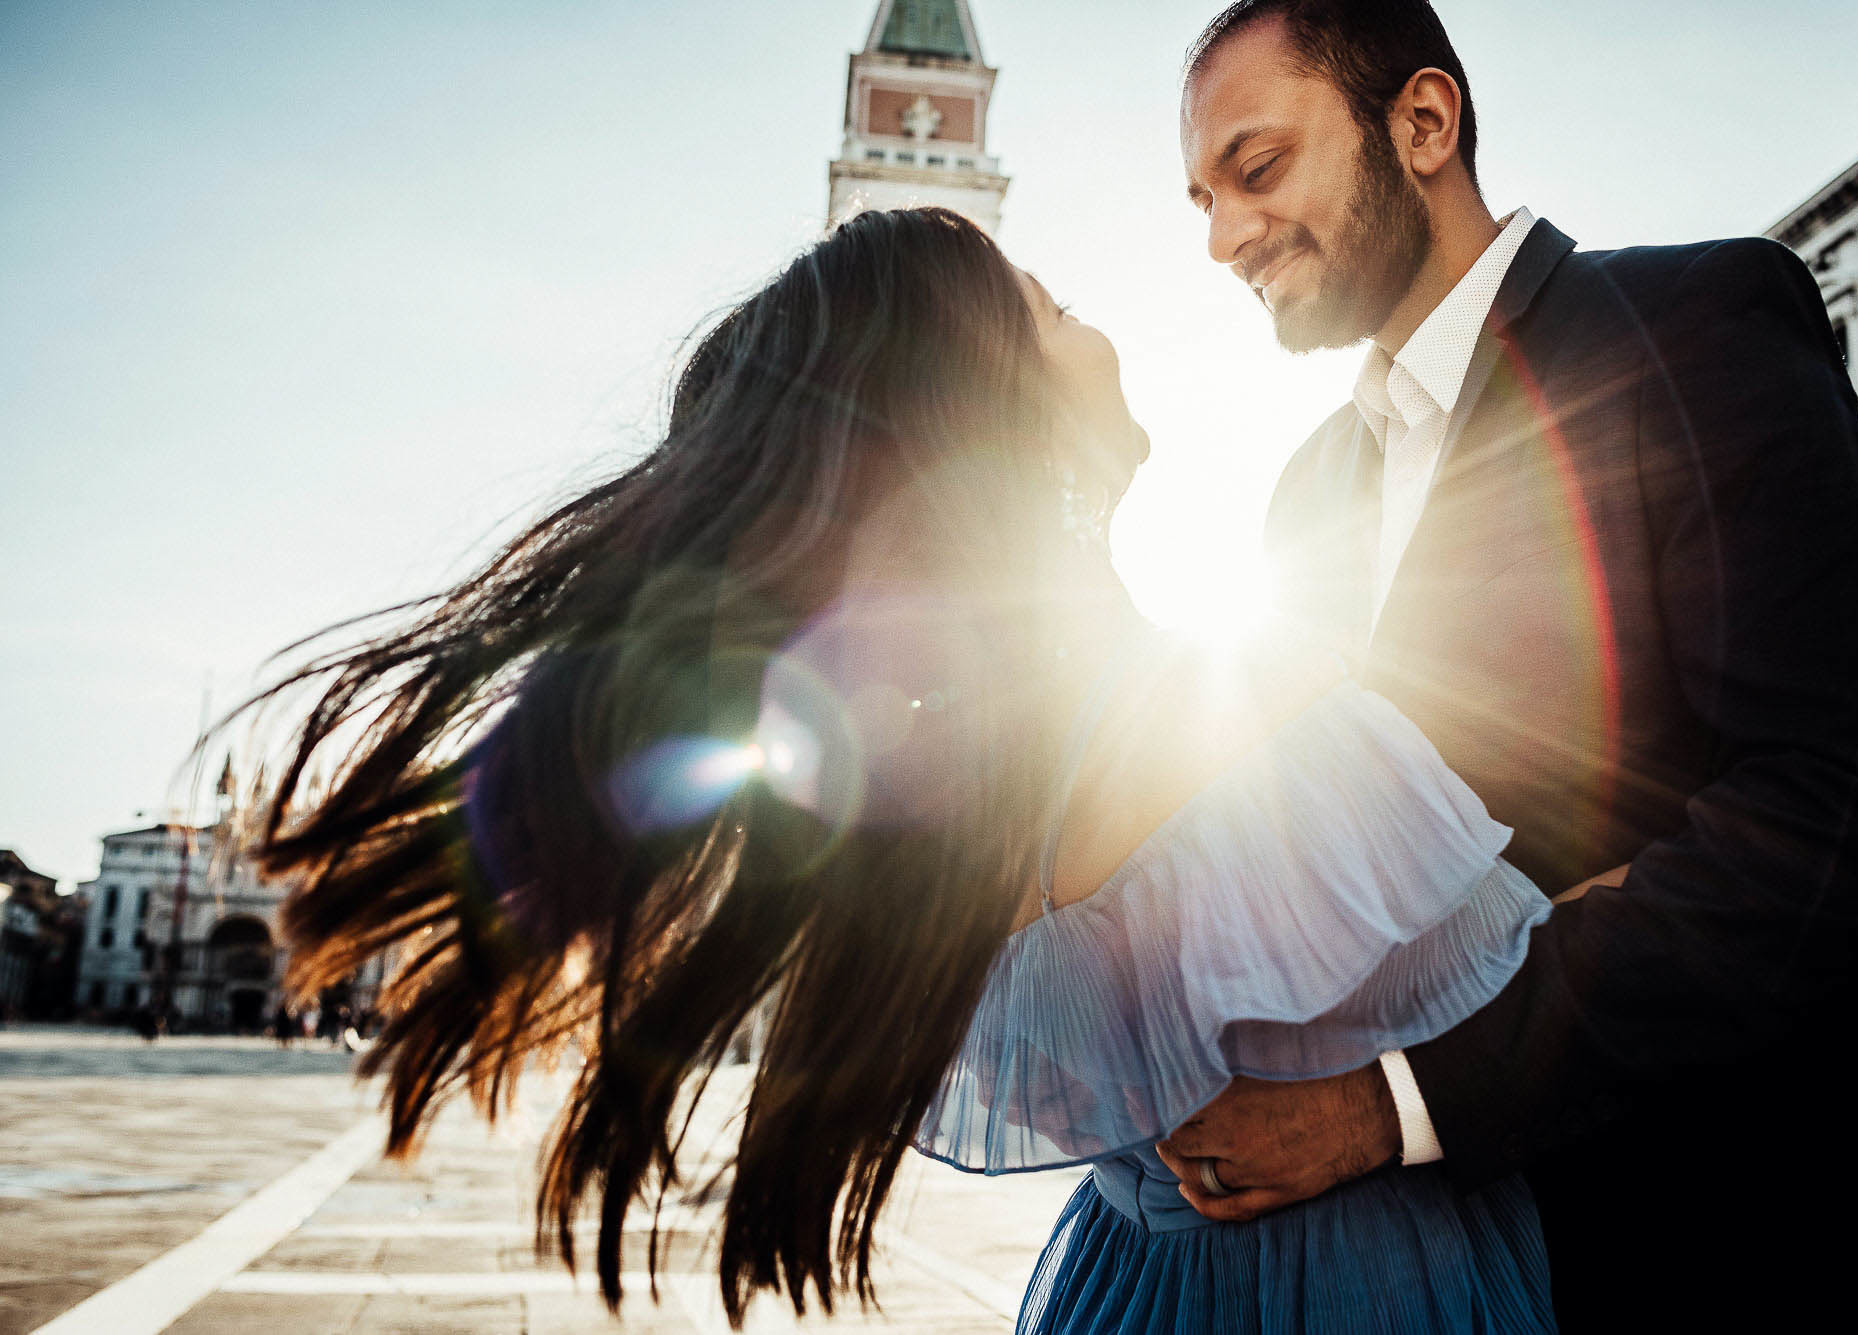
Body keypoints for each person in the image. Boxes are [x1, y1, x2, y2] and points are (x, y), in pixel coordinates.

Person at [247, 205, 1569, 1330]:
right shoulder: (1222, 704)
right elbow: (1531, 962)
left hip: (1128, 1286)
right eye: (1053, 312)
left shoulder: (954, 802)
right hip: (1350, 1289)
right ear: (1001, 418)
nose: (1094, 327)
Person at [1170, 2, 1858, 1329]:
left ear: (1422, 123)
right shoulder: (1305, 494)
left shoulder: (1696, 329)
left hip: (1735, 1254)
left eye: (1255, 170)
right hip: (1429, 1285)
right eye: (1202, 200)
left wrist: (1390, 1105)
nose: (1222, 237)